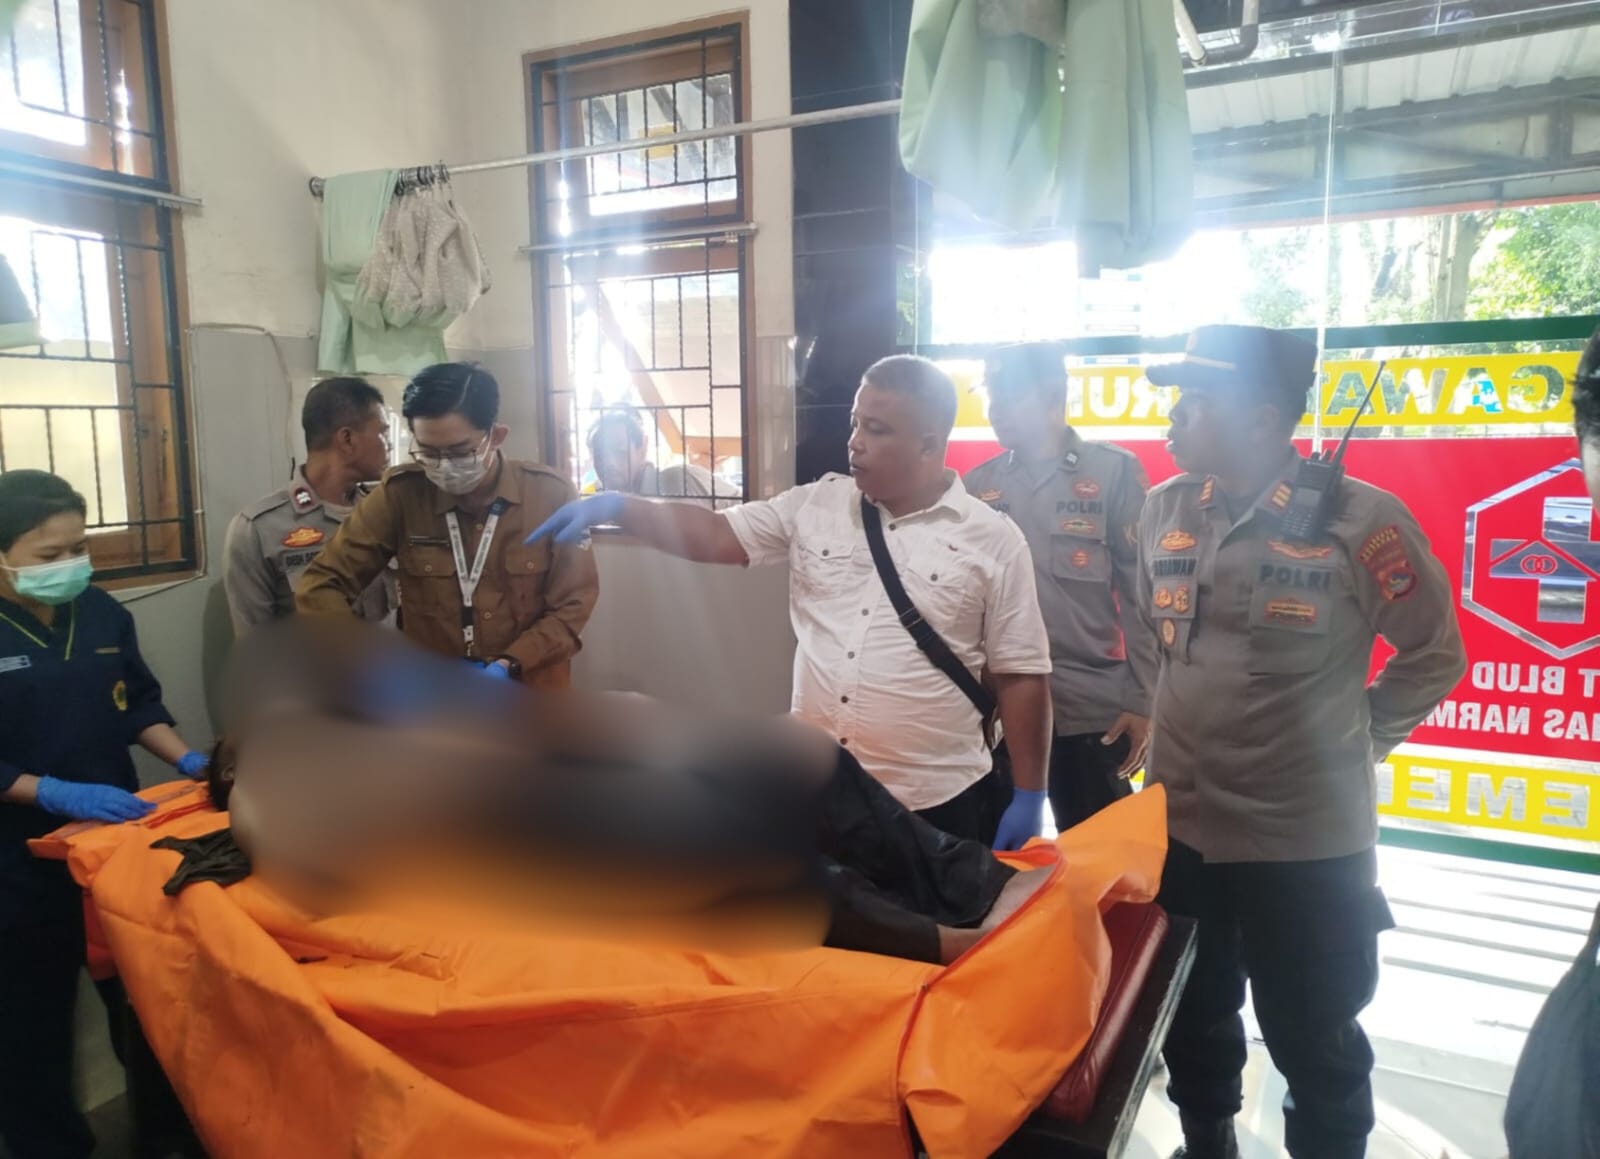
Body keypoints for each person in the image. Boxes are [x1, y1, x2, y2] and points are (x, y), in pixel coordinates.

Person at [207, 621, 1051, 965]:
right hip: (523, 839)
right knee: (735, 849)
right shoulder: (269, 793)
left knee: (807, 762)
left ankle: (972, 878)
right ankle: (939, 941)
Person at [1138, 326, 1467, 1159]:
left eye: (1196, 400)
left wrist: (1361, 737)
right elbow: (1163, 646)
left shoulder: (1364, 522)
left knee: (1315, 1034)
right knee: (1189, 1011)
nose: (1174, 416)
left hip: (1306, 844)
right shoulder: (1165, 508)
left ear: (1260, 417)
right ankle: (1207, 1141)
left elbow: (1434, 653)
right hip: (1179, 828)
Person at [531, 354, 1054, 850]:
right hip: (819, 790)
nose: (855, 442)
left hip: (935, 801)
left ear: (928, 444)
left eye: (877, 429)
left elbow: (1021, 675)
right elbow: (716, 534)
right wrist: (620, 507)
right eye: (855, 423)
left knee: (935, 920)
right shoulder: (817, 504)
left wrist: (1030, 794)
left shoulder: (994, 541)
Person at [0, 470, 210, 1159]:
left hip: (114, 846)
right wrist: (50, 791)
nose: (70, 564)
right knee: (32, 1025)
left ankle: (166, 1135)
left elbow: (137, 704)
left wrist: (188, 760)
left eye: (79, 547)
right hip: (18, 864)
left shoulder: (99, 612)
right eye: (49, 554)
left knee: (147, 1000)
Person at [297, 362, 599, 687]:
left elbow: (573, 604)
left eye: (458, 452)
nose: (443, 467)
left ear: (496, 436)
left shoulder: (550, 495)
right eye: (428, 453)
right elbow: (321, 583)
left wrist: (511, 664)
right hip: (435, 698)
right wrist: (365, 660)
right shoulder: (401, 494)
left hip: (530, 694)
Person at [965, 344, 1157, 832]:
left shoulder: (1112, 473)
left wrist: (1142, 701)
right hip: (1001, 708)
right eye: (991, 395)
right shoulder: (976, 486)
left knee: (1103, 859)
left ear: (1053, 395)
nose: (995, 409)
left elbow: (1141, 598)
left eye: (1009, 395)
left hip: (1091, 709)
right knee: (998, 859)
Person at [223, 376, 394, 636]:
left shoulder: (384, 513)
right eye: (383, 432)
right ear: (347, 439)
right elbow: (255, 645)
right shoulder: (257, 530)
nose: (389, 444)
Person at [588, 405, 739, 504]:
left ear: (642, 447)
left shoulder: (677, 483)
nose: (609, 463)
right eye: (599, 454)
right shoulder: (606, 507)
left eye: (619, 450)